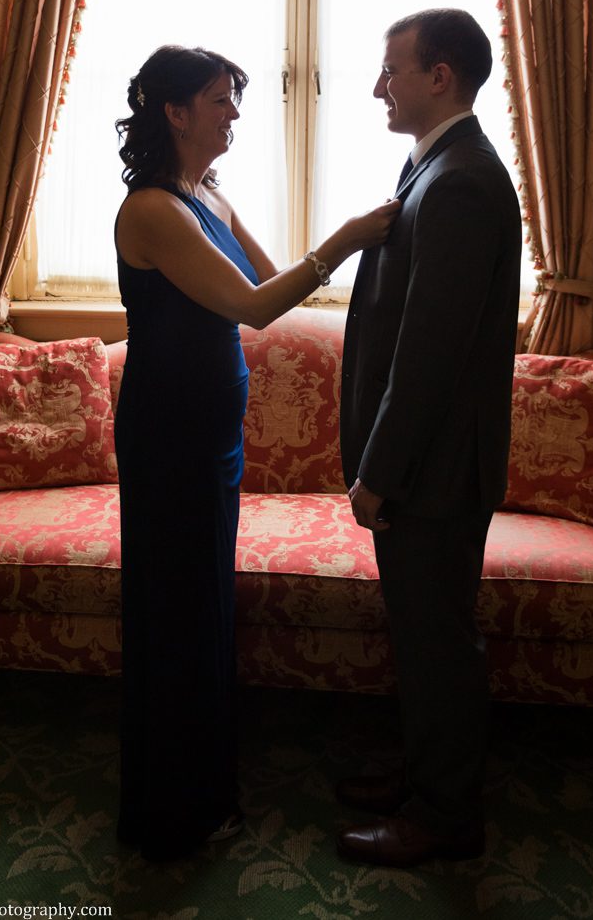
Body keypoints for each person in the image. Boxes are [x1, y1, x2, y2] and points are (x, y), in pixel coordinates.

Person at [113, 43, 399, 862]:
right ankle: (170, 811)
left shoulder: (208, 194)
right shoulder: (152, 211)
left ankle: (203, 788)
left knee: (203, 604)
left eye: (234, 99)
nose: (235, 113)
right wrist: (345, 237)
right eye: (220, 99)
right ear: (175, 112)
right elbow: (255, 307)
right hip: (168, 433)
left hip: (211, 433)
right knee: (175, 611)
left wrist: (363, 264)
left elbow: (279, 279)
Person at [336, 8, 522, 868]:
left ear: (438, 76)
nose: (380, 85)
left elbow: (430, 356)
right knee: (420, 635)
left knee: (440, 645)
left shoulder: (461, 183)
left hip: (433, 474)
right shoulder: (434, 169)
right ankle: (422, 772)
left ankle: (446, 819)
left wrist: (379, 473)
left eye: (391, 69)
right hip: (427, 468)